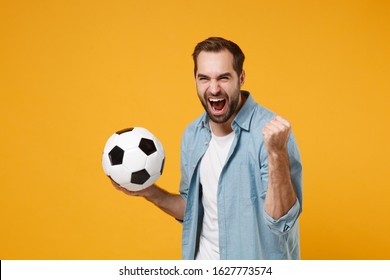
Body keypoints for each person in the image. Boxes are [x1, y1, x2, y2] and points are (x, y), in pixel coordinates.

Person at [111, 37, 303, 260]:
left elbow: (281, 221)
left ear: (241, 78)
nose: (213, 89)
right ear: (195, 79)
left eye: (223, 78)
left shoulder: (273, 135)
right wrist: (148, 192)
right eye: (204, 78)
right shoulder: (193, 134)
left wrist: (277, 154)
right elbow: (192, 211)